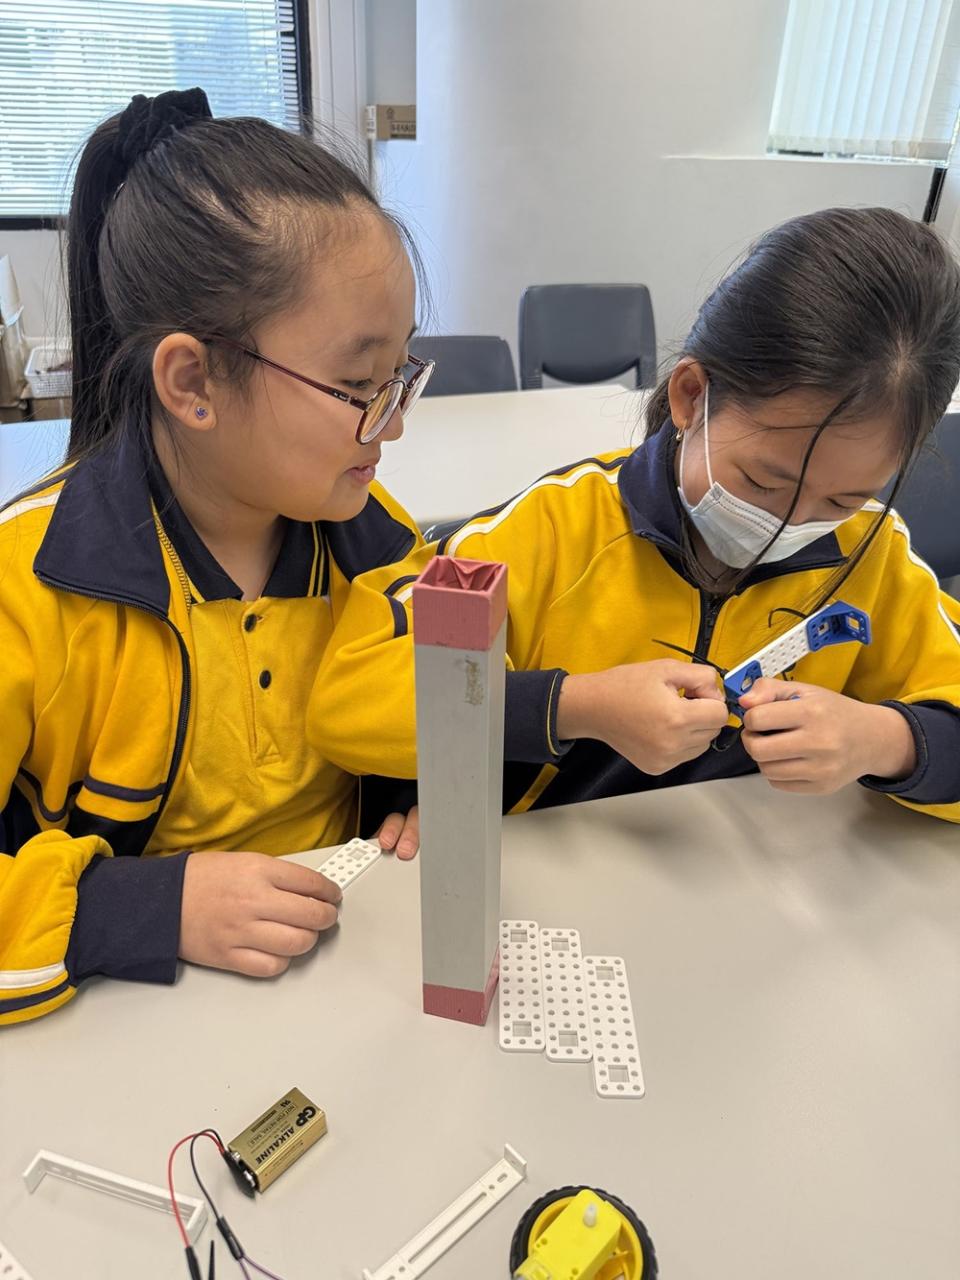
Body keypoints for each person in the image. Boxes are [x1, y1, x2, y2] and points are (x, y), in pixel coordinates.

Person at [0, 88, 432, 1026]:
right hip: (120, 1017)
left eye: (401, 374)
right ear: (192, 381)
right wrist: (152, 909)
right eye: (358, 384)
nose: (393, 424)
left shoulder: (381, 547)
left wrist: (413, 788)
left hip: (342, 990)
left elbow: (413, 712)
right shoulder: (28, 587)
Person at [310, 206, 960, 825]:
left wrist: (887, 740)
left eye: (845, 499)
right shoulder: (552, 529)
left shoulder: (871, 557)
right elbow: (353, 698)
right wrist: (572, 705)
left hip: (767, 878)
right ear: (691, 397)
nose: (790, 525)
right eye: (764, 482)